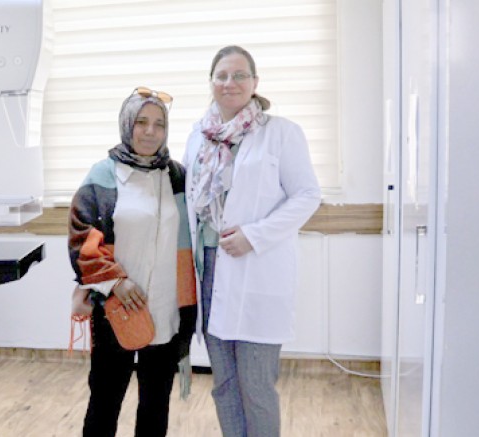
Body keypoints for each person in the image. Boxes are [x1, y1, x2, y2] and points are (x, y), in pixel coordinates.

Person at [182, 45, 321, 436]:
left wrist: (254, 236)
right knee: (224, 383)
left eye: (240, 75)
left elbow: (307, 195)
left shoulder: (281, 133)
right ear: (211, 82)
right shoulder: (198, 136)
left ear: (255, 82)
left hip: (257, 268)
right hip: (209, 270)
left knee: (256, 385)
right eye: (222, 75)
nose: (230, 83)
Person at [68, 87, 197, 437]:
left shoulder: (178, 176)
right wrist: (115, 283)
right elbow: (81, 237)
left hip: (166, 310)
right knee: (105, 401)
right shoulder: (103, 174)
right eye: (141, 122)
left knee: (155, 406)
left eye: (159, 124)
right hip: (116, 309)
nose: (150, 131)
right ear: (127, 124)